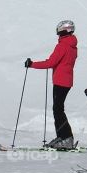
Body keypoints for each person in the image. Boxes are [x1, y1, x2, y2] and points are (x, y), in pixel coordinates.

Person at [26, 20, 77, 149]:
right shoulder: (72, 46)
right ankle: (63, 136)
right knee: (58, 109)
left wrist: (32, 64)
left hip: (60, 81)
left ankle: (66, 138)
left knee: (58, 110)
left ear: (63, 31)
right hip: (67, 81)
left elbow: (50, 63)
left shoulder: (62, 46)